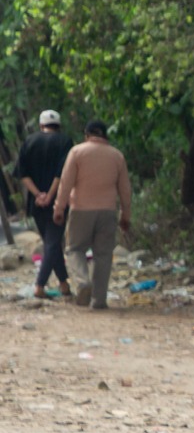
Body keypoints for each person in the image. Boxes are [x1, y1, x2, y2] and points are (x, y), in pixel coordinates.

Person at [53, 119, 131, 310]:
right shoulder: (117, 156)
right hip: (108, 212)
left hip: (81, 210)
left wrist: (59, 208)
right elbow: (125, 190)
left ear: (87, 135)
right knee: (103, 255)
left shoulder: (77, 152)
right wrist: (125, 216)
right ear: (105, 136)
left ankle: (82, 282)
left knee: (74, 249)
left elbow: (66, 183)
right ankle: (99, 300)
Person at [18, 110, 73, 301]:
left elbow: (23, 174)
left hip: (36, 203)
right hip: (58, 200)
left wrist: (38, 195)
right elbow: (62, 173)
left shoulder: (29, 141)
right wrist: (50, 195)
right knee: (52, 242)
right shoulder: (65, 142)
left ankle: (64, 284)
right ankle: (39, 285)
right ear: (59, 126)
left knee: (51, 243)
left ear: (41, 126)